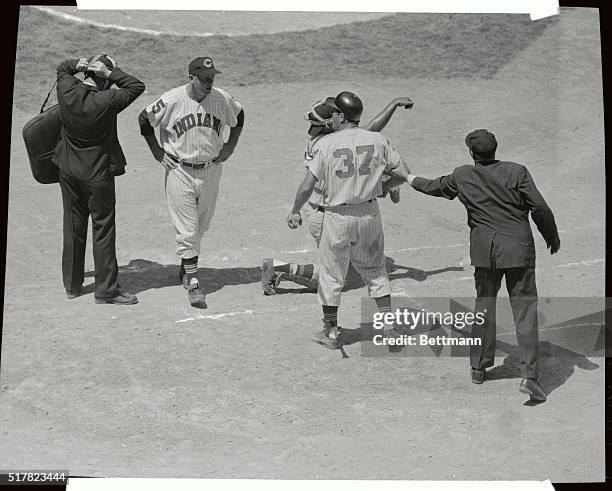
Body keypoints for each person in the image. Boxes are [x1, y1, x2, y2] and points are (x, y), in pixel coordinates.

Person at [405, 129, 560, 402]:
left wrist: (406, 177)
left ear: (471, 153)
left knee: (483, 306)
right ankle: (530, 376)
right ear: (495, 149)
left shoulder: (463, 175)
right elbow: (540, 208)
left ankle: (478, 368)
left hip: (485, 252)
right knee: (525, 311)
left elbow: (434, 186)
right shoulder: (517, 171)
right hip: (518, 250)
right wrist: (551, 236)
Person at [287, 91, 411, 349]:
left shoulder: (324, 145)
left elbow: (306, 185)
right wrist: (385, 185)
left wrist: (294, 210)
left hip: (336, 215)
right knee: (376, 271)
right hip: (369, 214)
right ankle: (389, 327)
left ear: (339, 116)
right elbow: (404, 173)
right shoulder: (376, 140)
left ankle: (330, 333)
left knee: (332, 276)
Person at [262, 96, 414, 294]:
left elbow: (368, 131)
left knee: (338, 272)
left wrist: (392, 105)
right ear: (328, 124)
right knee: (335, 279)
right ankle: (279, 268)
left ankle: (280, 268)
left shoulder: (328, 143)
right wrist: (384, 183)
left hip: (324, 209)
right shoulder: (325, 145)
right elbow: (368, 133)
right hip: (328, 215)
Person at [138, 57, 244, 308]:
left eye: (212, 78)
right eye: (205, 78)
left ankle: (187, 264)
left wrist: (230, 145)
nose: (210, 82)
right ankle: (194, 281)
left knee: (200, 227)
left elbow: (239, 118)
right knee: (187, 230)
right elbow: (144, 119)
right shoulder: (173, 99)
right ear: (191, 78)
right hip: (179, 170)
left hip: (210, 170)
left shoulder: (221, 98)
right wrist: (156, 152)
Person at [52, 54, 145, 305]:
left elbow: (63, 68)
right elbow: (136, 86)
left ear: (86, 73)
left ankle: (72, 285)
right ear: (103, 79)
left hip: (68, 171)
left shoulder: (67, 88)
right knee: (103, 229)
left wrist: (79, 64)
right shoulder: (108, 99)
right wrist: (112, 73)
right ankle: (106, 290)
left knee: (73, 226)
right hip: (97, 176)